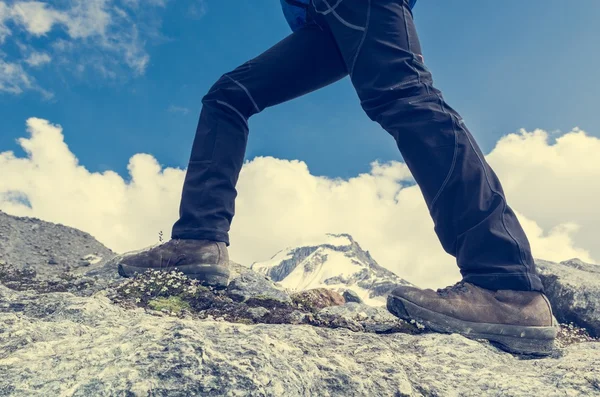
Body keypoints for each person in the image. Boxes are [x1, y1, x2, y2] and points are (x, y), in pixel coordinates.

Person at [115, 0, 558, 356]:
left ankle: (509, 286)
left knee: (404, 95)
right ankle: (198, 240)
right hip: (321, 18)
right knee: (229, 98)